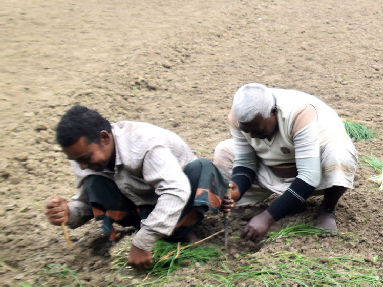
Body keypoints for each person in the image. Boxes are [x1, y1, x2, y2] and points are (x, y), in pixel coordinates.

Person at [45, 105, 232, 270]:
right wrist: (69, 213)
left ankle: (182, 231)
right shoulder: (84, 161)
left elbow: (176, 191)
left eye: (85, 158)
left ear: (104, 138)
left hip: (180, 201)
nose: (82, 166)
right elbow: (89, 202)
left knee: (201, 168)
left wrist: (144, 241)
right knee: (94, 181)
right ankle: (155, 230)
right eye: (76, 161)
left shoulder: (143, 144)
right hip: (139, 206)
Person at [212, 84, 358, 243]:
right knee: (223, 151)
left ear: (274, 112)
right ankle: (289, 199)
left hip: (314, 170)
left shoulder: (299, 113)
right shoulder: (238, 117)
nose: (253, 136)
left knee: (340, 154)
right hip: (272, 169)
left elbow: (310, 176)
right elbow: (245, 161)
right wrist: (236, 189)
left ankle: (328, 209)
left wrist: (267, 217)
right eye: (248, 132)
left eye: (259, 131)